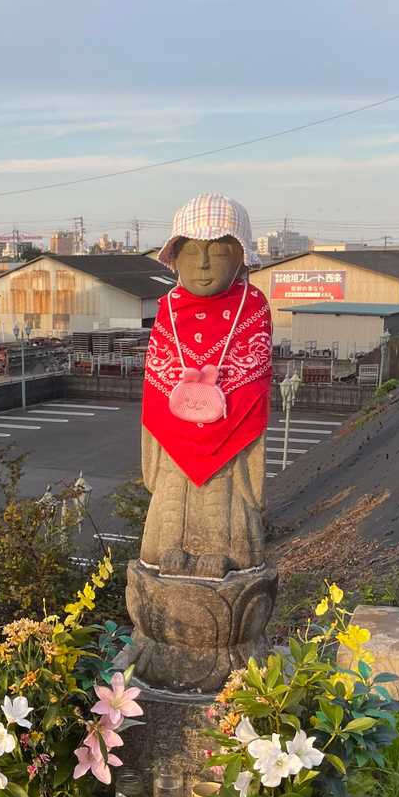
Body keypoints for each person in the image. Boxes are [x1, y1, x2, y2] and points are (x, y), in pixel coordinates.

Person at [139, 194, 273, 579]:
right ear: (174, 257)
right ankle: (170, 547)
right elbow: (156, 386)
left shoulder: (253, 308)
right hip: (172, 442)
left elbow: (252, 391)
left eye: (217, 252)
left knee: (225, 487)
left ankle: (225, 550)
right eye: (191, 251)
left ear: (241, 257)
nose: (202, 263)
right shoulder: (167, 308)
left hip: (231, 444)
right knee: (172, 488)